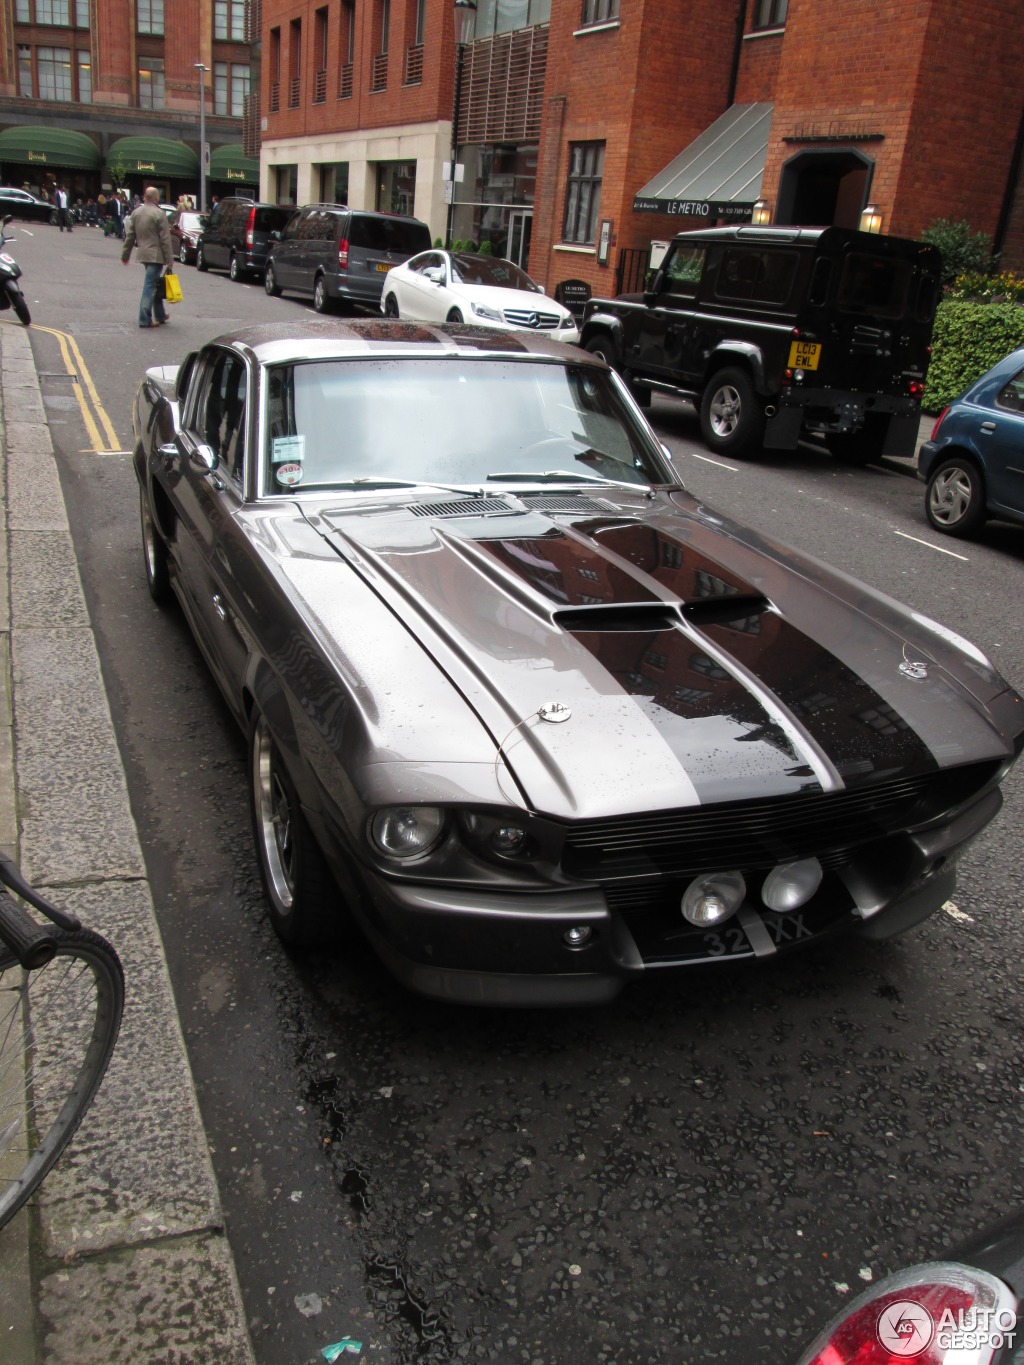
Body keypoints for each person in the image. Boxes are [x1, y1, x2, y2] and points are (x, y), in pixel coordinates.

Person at [121, 186, 173, 328]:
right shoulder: (159, 213)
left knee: (154, 283)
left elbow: (130, 236)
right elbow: (165, 239)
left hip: (143, 253)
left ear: (145, 197)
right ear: (156, 198)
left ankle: (160, 315)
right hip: (156, 255)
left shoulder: (136, 212)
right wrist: (170, 260)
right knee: (150, 286)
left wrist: (125, 255)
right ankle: (144, 319)